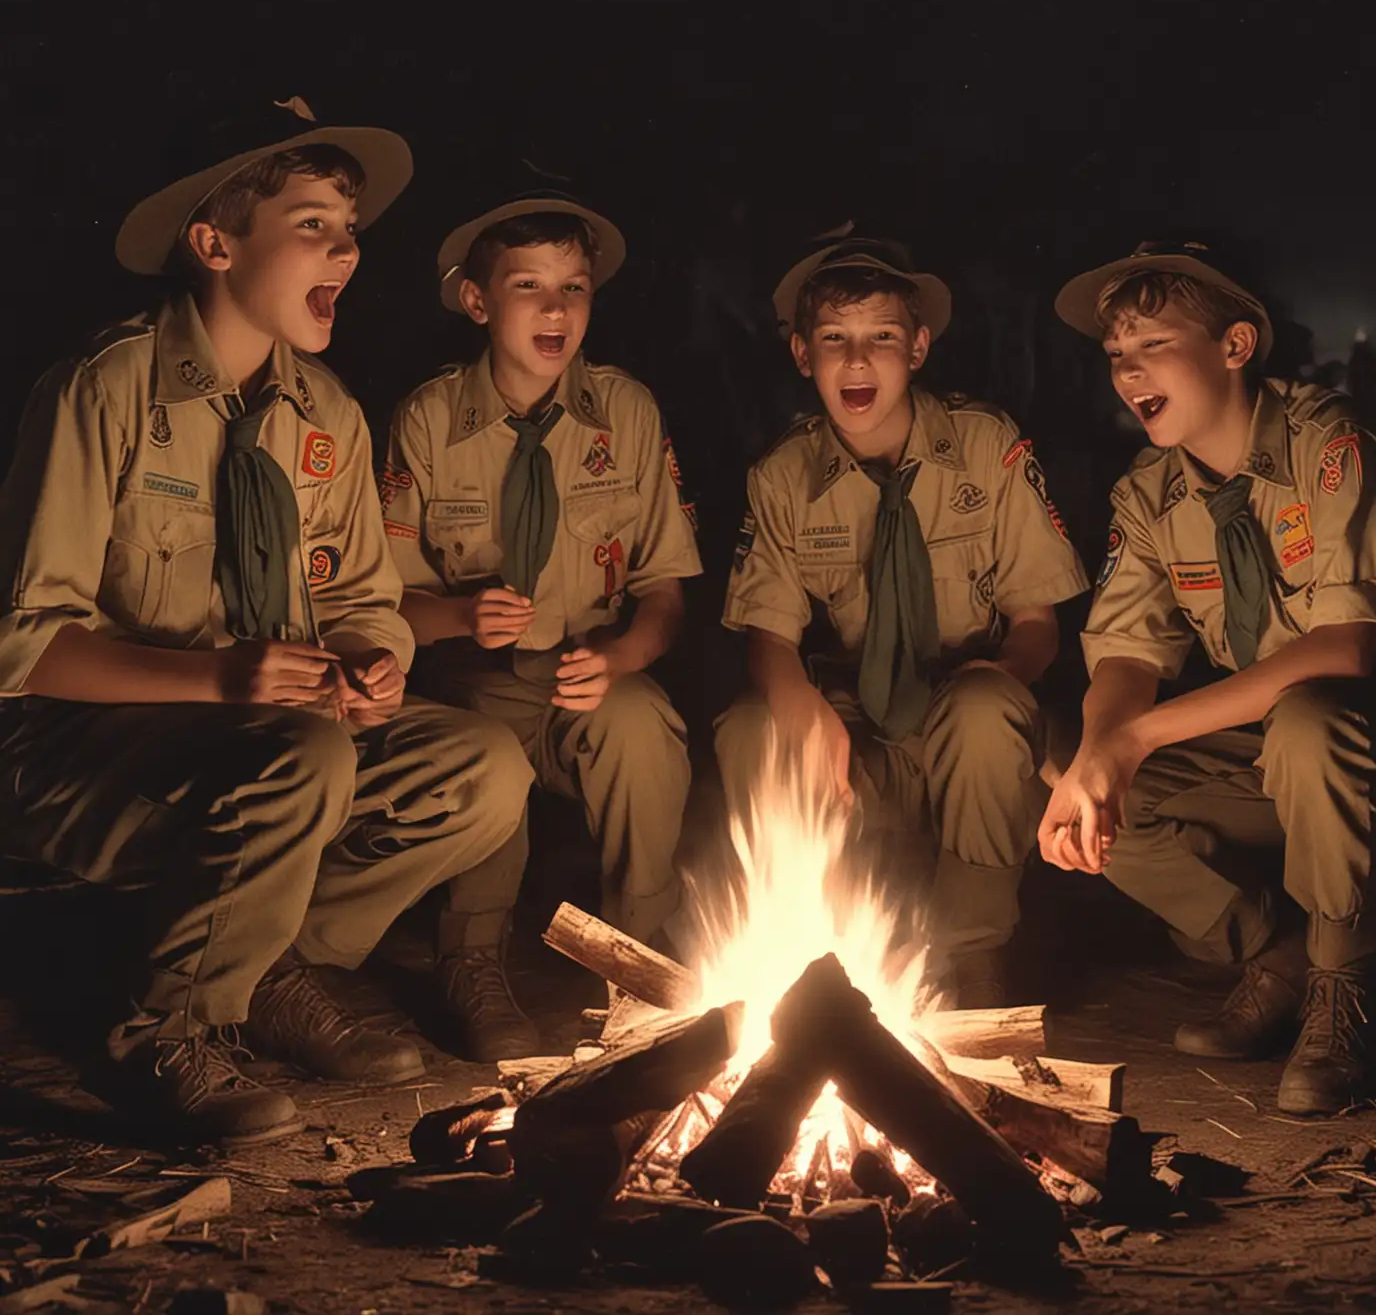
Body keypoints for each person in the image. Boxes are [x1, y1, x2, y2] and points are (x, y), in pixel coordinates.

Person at [0, 100, 530, 1142]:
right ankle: (158, 1028)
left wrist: (371, 659)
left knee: (482, 765)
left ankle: (269, 964)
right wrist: (224, 682)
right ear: (214, 243)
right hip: (79, 754)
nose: (348, 247)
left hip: (271, 737)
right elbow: (22, 647)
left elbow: (359, 603)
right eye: (314, 225)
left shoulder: (325, 414)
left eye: (350, 229)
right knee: (305, 756)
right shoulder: (104, 390)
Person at [1041, 242, 1376, 1113]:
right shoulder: (1149, 496)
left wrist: (1139, 736)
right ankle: (1279, 955)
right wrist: (1102, 751)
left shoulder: (1327, 447)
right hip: (1260, 753)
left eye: (1151, 344)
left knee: (1306, 720)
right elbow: (1125, 654)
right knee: (1059, 758)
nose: (1126, 370)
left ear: (1235, 346)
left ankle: (1343, 987)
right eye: (1115, 353)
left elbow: (1347, 647)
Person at [716, 237, 1090, 1006]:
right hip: (861, 736)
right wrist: (811, 719)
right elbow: (769, 639)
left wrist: (1000, 675)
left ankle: (975, 956)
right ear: (800, 354)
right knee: (756, 729)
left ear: (917, 347)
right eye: (834, 341)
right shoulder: (784, 476)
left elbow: (1037, 621)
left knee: (986, 709)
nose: (858, 363)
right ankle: (822, 953)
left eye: (881, 338)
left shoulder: (987, 448)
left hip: (972, 740)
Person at [382, 194, 702, 1056]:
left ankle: (638, 967)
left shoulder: (626, 414)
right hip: (476, 681)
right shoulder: (429, 420)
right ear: (477, 302)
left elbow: (667, 587)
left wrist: (624, 653)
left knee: (645, 732)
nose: (556, 309)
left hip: (588, 669)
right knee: (483, 754)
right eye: (528, 286)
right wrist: (458, 613)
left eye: (575, 287)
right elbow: (383, 600)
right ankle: (472, 960)